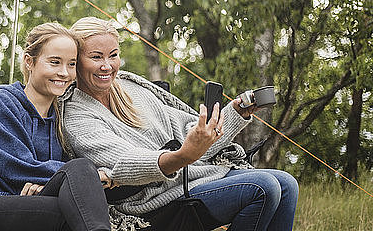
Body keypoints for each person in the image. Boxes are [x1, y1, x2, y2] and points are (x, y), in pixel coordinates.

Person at [61, 17, 299, 231]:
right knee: (263, 187)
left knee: (287, 184)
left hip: (192, 178)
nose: (107, 66)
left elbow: (191, 133)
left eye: (113, 55)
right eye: (96, 57)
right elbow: (124, 163)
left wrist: (235, 112)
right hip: (153, 201)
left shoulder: (132, 89)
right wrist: (184, 155)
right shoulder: (76, 115)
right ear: (75, 61)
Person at [0, 22, 112, 231]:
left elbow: (44, 176)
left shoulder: (61, 117)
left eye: (71, 64)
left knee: (77, 201)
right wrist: (93, 174)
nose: (64, 73)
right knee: (76, 196)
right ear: (29, 61)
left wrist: (43, 184)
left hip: (26, 200)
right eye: (54, 62)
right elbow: (16, 167)